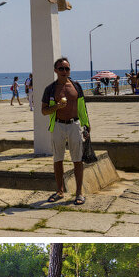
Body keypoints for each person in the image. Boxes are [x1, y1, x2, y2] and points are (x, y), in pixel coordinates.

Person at [40, 57, 90, 205]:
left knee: (78, 159)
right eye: (61, 68)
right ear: (55, 70)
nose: (64, 71)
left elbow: (82, 108)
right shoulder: (50, 89)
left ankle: (79, 193)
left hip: (75, 125)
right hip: (58, 125)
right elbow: (44, 111)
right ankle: (60, 191)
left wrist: (86, 125)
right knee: (58, 159)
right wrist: (56, 107)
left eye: (67, 68)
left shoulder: (76, 86)